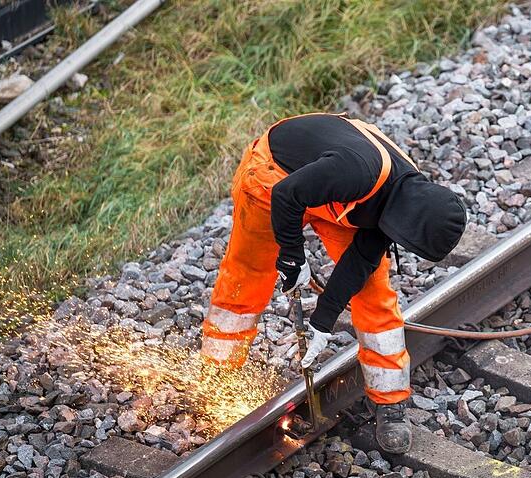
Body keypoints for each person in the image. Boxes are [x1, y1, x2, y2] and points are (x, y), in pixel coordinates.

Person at [200, 112, 467, 453]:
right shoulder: (357, 171)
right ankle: (218, 375)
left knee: (375, 294)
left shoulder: (407, 200)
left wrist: (322, 321)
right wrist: (293, 258)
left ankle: (390, 400)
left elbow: (359, 264)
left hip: (337, 193)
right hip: (275, 177)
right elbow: (286, 195)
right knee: (248, 277)